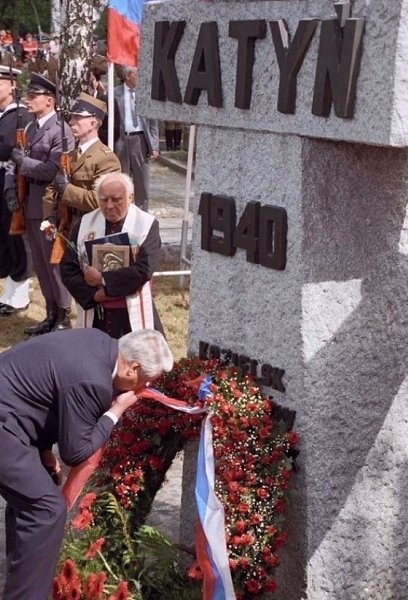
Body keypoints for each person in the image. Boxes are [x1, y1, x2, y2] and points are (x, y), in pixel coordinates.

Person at [0, 326, 173, 600]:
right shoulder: (94, 381)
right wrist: (115, 412)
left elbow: (44, 392)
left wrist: (43, 449)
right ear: (133, 368)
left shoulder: (99, 341)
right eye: (147, 381)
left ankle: (21, 578)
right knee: (47, 510)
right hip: (5, 422)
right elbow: (75, 452)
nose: (145, 388)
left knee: (34, 494)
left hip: (13, 413)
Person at [5, 72, 75, 334]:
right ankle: (50, 314)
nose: (29, 99)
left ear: (49, 100)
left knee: (53, 264)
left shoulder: (61, 130)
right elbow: (12, 162)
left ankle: (63, 318)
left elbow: (52, 169)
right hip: (29, 205)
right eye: (29, 95)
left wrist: (23, 162)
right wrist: (9, 187)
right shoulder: (30, 127)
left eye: (34, 96)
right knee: (41, 265)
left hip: (50, 206)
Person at [60, 172, 163, 338]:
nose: (109, 205)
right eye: (103, 199)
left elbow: (144, 269)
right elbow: (68, 268)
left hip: (130, 317)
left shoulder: (146, 224)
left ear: (130, 197)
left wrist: (102, 280)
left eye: (116, 199)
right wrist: (93, 295)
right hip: (96, 315)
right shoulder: (85, 223)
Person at [43, 92, 121, 225]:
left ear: (93, 123)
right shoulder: (71, 155)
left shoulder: (106, 159)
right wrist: (48, 217)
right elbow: (52, 188)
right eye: (72, 117)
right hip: (65, 224)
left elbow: (99, 199)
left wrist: (66, 189)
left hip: (90, 225)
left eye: (77, 117)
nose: (71, 122)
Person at [0, 65, 32, 315]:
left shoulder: (21, 115)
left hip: (11, 179)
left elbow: (17, 150)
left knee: (16, 235)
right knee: (3, 235)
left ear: (12, 85)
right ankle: (9, 291)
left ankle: (19, 294)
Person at [114, 65, 159, 211]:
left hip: (140, 140)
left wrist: (154, 145)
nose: (140, 77)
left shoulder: (145, 93)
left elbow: (153, 121)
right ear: (128, 76)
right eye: (136, 74)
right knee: (122, 179)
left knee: (142, 180)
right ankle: (123, 210)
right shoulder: (115, 93)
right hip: (121, 140)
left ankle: (142, 212)